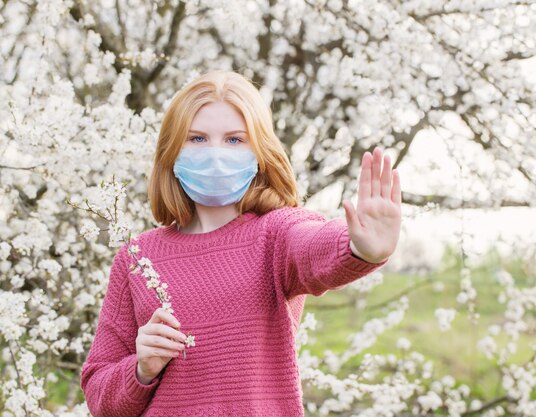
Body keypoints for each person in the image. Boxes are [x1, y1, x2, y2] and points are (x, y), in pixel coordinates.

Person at [80, 70, 402, 417]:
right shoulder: (137, 257)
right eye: (197, 139)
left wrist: (360, 249)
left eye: (234, 140)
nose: (216, 154)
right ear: (172, 151)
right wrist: (141, 369)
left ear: (259, 151)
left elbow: (314, 247)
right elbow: (100, 397)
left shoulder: (277, 234)